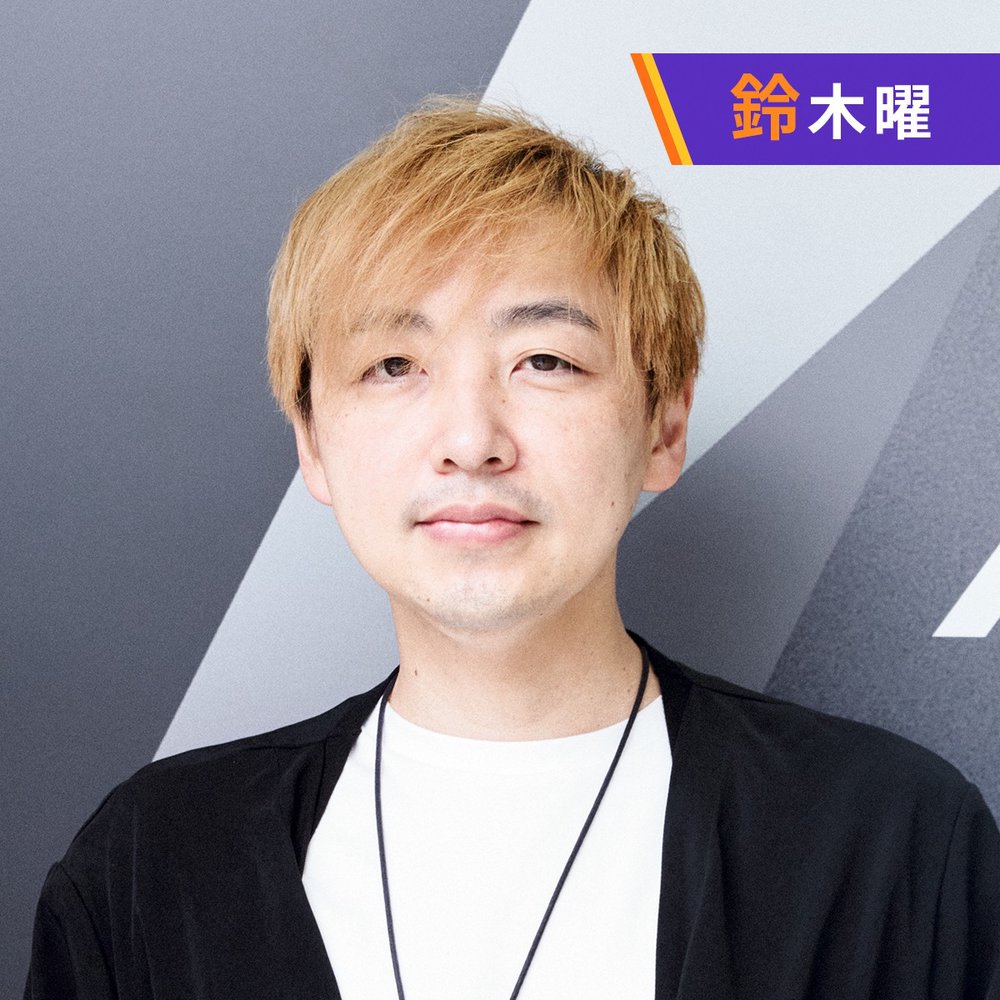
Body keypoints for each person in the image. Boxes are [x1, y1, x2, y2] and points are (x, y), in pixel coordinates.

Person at [25, 99, 1000, 1000]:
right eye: (393, 364)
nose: (470, 439)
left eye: (545, 360)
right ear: (312, 439)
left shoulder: (893, 843)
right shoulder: (152, 865)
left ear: (662, 425)